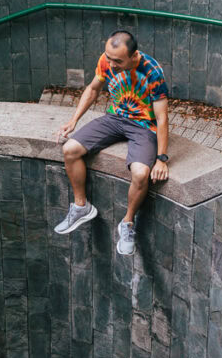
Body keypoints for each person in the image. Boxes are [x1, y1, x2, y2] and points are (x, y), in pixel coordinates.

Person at [54, 29, 170, 255]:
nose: (111, 64)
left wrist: (162, 159)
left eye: (118, 61)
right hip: (115, 118)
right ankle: (81, 207)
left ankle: (127, 223)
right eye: (109, 58)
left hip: (143, 126)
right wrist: (73, 120)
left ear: (133, 56)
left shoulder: (152, 71)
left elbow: (162, 117)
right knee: (70, 149)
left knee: (140, 174)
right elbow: (93, 89)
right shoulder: (106, 60)